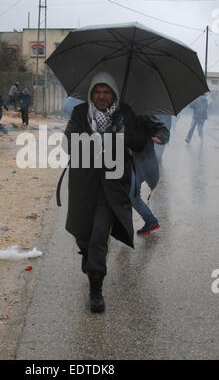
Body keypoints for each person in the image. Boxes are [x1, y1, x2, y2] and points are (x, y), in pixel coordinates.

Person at [63, 72, 146, 313]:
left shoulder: (125, 114)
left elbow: (139, 143)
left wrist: (123, 132)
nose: (101, 96)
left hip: (111, 186)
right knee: (83, 233)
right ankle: (86, 253)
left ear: (114, 95)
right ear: (91, 94)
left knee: (100, 235)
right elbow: (68, 141)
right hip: (83, 185)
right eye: (97, 92)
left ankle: (96, 291)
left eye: (106, 91)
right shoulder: (80, 113)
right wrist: (95, 142)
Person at [130, 116, 170, 235]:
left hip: (142, 163)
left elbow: (162, 129)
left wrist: (159, 137)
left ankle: (151, 221)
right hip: (124, 163)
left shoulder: (142, 114)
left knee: (131, 194)